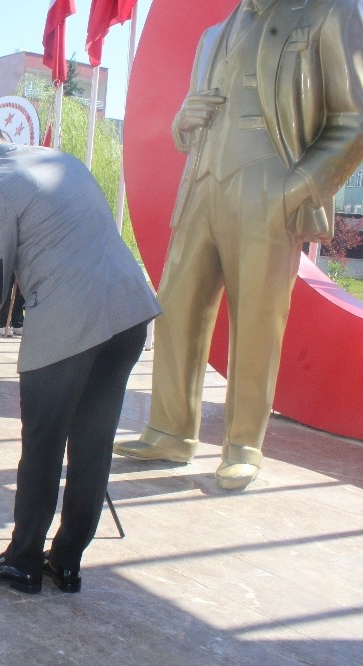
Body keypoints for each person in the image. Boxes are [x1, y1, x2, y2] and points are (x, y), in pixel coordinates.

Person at [114, 0, 363, 490]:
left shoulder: (326, 13)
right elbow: (185, 132)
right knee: (176, 307)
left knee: (257, 319)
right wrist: (182, 121)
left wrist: (296, 188)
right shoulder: (213, 35)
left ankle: (244, 444)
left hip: (268, 184)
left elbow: (353, 119)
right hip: (201, 184)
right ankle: (168, 430)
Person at [0, 107, 160, 594]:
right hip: (127, 313)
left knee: (42, 446)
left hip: (67, 324)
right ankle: (67, 561)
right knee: (93, 444)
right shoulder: (61, 160)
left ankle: (21, 563)